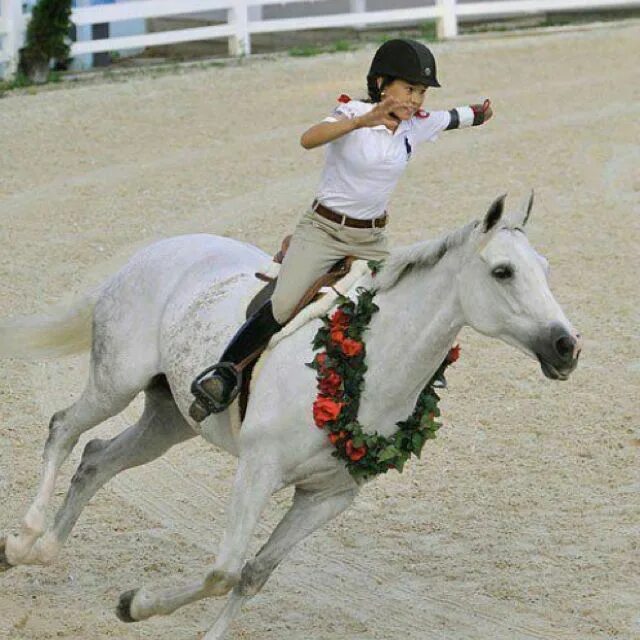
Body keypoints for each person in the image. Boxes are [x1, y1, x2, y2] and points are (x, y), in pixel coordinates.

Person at [189, 38, 493, 421]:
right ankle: (223, 373)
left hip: (372, 239)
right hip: (324, 231)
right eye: (409, 89)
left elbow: (453, 117)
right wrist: (362, 121)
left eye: (421, 92)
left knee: (400, 299)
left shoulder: (417, 124)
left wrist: (479, 114)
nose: (417, 100)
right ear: (382, 83)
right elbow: (308, 139)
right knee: (283, 305)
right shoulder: (351, 113)